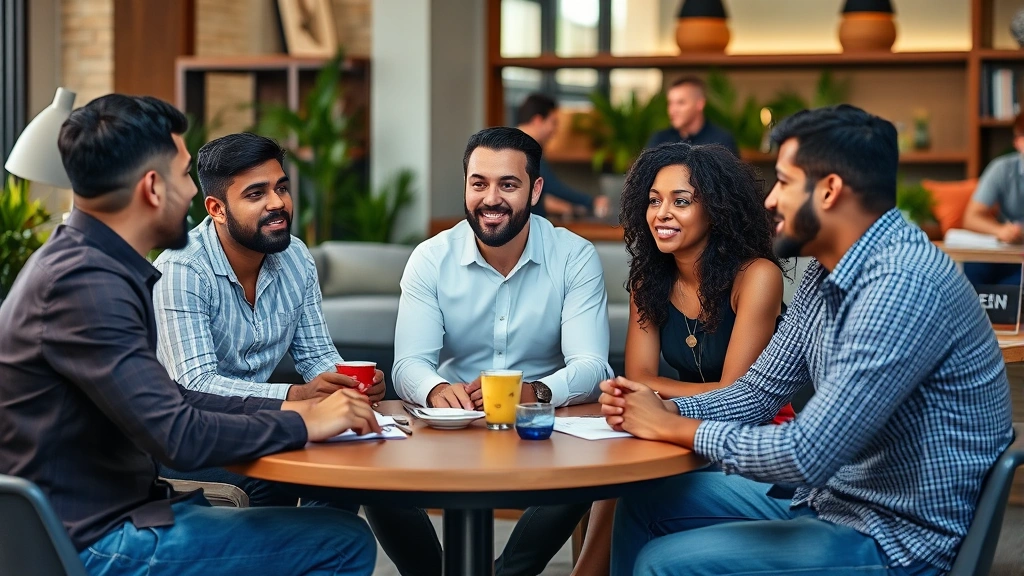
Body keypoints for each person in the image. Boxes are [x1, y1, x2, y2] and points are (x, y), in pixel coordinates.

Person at [600, 105, 1013, 576]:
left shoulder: (901, 285)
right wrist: (667, 409)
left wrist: (674, 426)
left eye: (784, 182)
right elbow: (756, 394)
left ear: (830, 190)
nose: (771, 200)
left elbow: (806, 454)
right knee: (643, 499)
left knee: (662, 563)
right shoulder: (824, 270)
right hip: (833, 500)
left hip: (894, 537)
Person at [0, 94, 381, 576]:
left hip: (120, 513)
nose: (193, 195)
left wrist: (295, 406)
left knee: (320, 521)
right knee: (342, 542)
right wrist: (305, 422)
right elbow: (177, 434)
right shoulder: (86, 285)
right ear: (153, 188)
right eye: (184, 176)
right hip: (93, 538)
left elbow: (173, 398)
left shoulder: (94, 267)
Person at [364, 126, 614, 576]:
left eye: (508, 185)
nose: (491, 198)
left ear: (536, 190)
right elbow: (408, 365)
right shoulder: (430, 257)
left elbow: (592, 367)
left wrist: (535, 392)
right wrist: (435, 387)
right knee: (370, 466)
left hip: (543, 429)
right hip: (449, 428)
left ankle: (508, 573)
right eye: (479, 183)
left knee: (598, 463)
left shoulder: (573, 256)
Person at [570, 142, 792, 576]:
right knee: (617, 470)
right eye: (654, 201)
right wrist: (652, 399)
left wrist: (658, 398)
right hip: (683, 426)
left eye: (681, 201)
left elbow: (739, 395)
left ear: (717, 210)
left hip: (755, 435)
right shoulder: (649, 281)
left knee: (627, 481)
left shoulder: (757, 276)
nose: (662, 213)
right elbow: (638, 376)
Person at [152, 131, 385, 507]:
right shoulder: (181, 269)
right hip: (183, 439)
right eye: (255, 194)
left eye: (281, 188)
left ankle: (321, 558)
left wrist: (347, 383)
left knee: (350, 468)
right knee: (272, 479)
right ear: (217, 209)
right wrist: (296, 397)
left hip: (261, 426)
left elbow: (316, 355)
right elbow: (195, 386)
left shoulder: (296, 257)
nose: (278, 203)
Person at [516, 93, 610, 220]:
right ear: (538, 120)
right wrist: (591, 201)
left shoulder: (511, 144)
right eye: (553, 122)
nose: (555, 130)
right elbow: (552, 185)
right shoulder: (525, 148)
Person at [961, 111, 1024, 285]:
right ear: (1017, 142)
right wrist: (1000, 231)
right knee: (974, 267)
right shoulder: (1002, 168)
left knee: (1013, 285)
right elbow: (971, 217)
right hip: (1007, 251)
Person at [646, 76, 738, 157]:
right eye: (670, 103)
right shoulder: (660, 140)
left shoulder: (721, 141)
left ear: (700, 104)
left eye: (681, 103)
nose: (672, 110)